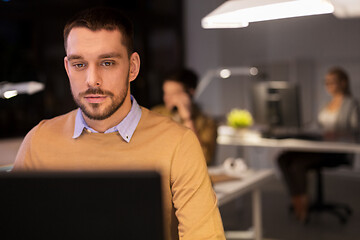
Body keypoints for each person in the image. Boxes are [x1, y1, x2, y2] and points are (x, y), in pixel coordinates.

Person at [12, 7, 225, 240]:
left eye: (107, 63)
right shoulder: (38, 141)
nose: (92, 80)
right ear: (67, 68)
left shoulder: (178, 143)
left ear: (132, 67)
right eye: (79, 64)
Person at [277, 67, 360, 222]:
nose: (328, 85)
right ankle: (296, 198)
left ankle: (304, 202)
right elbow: (320, 126)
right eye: (326, 82)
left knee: (297, 164)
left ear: (343, 83)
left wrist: (337, 134)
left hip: (336, 152)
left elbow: (356, 131)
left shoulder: (351, 104)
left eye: (332, 82)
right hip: (320, 146)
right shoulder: (326, 104)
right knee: (283, 158)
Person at [152, 69, 217, 165]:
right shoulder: (156, 114)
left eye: (173, 94)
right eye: (165, 93)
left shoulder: (207, 122)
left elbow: (205, 158)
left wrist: (188, 119)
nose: (166, 98)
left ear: (190, 93)